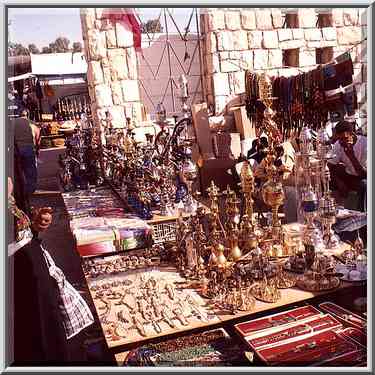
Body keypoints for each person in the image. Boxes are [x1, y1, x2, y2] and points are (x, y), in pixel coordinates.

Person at [328, 120, 367, 211]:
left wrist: (351, 155)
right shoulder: (339, 144)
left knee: (365, 185)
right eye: (339, 139)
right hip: (350, 176)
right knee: (329, 181)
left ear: (352, 134)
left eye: (344, 138)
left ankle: (362, 216)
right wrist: (339, 182)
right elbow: (330, 166)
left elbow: (364, 174)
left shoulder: (366, 144)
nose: (342, 142)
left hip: (364, 176)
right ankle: (335, 212)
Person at [11, 109, 38, 194]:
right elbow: (37, 134)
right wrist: (37, 147)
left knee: (19, 170)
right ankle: (31, 189)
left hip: (16, 149)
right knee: (30, 169)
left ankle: (20, 189)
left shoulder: (12, 123)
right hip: (28, 148)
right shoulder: (31, 122)